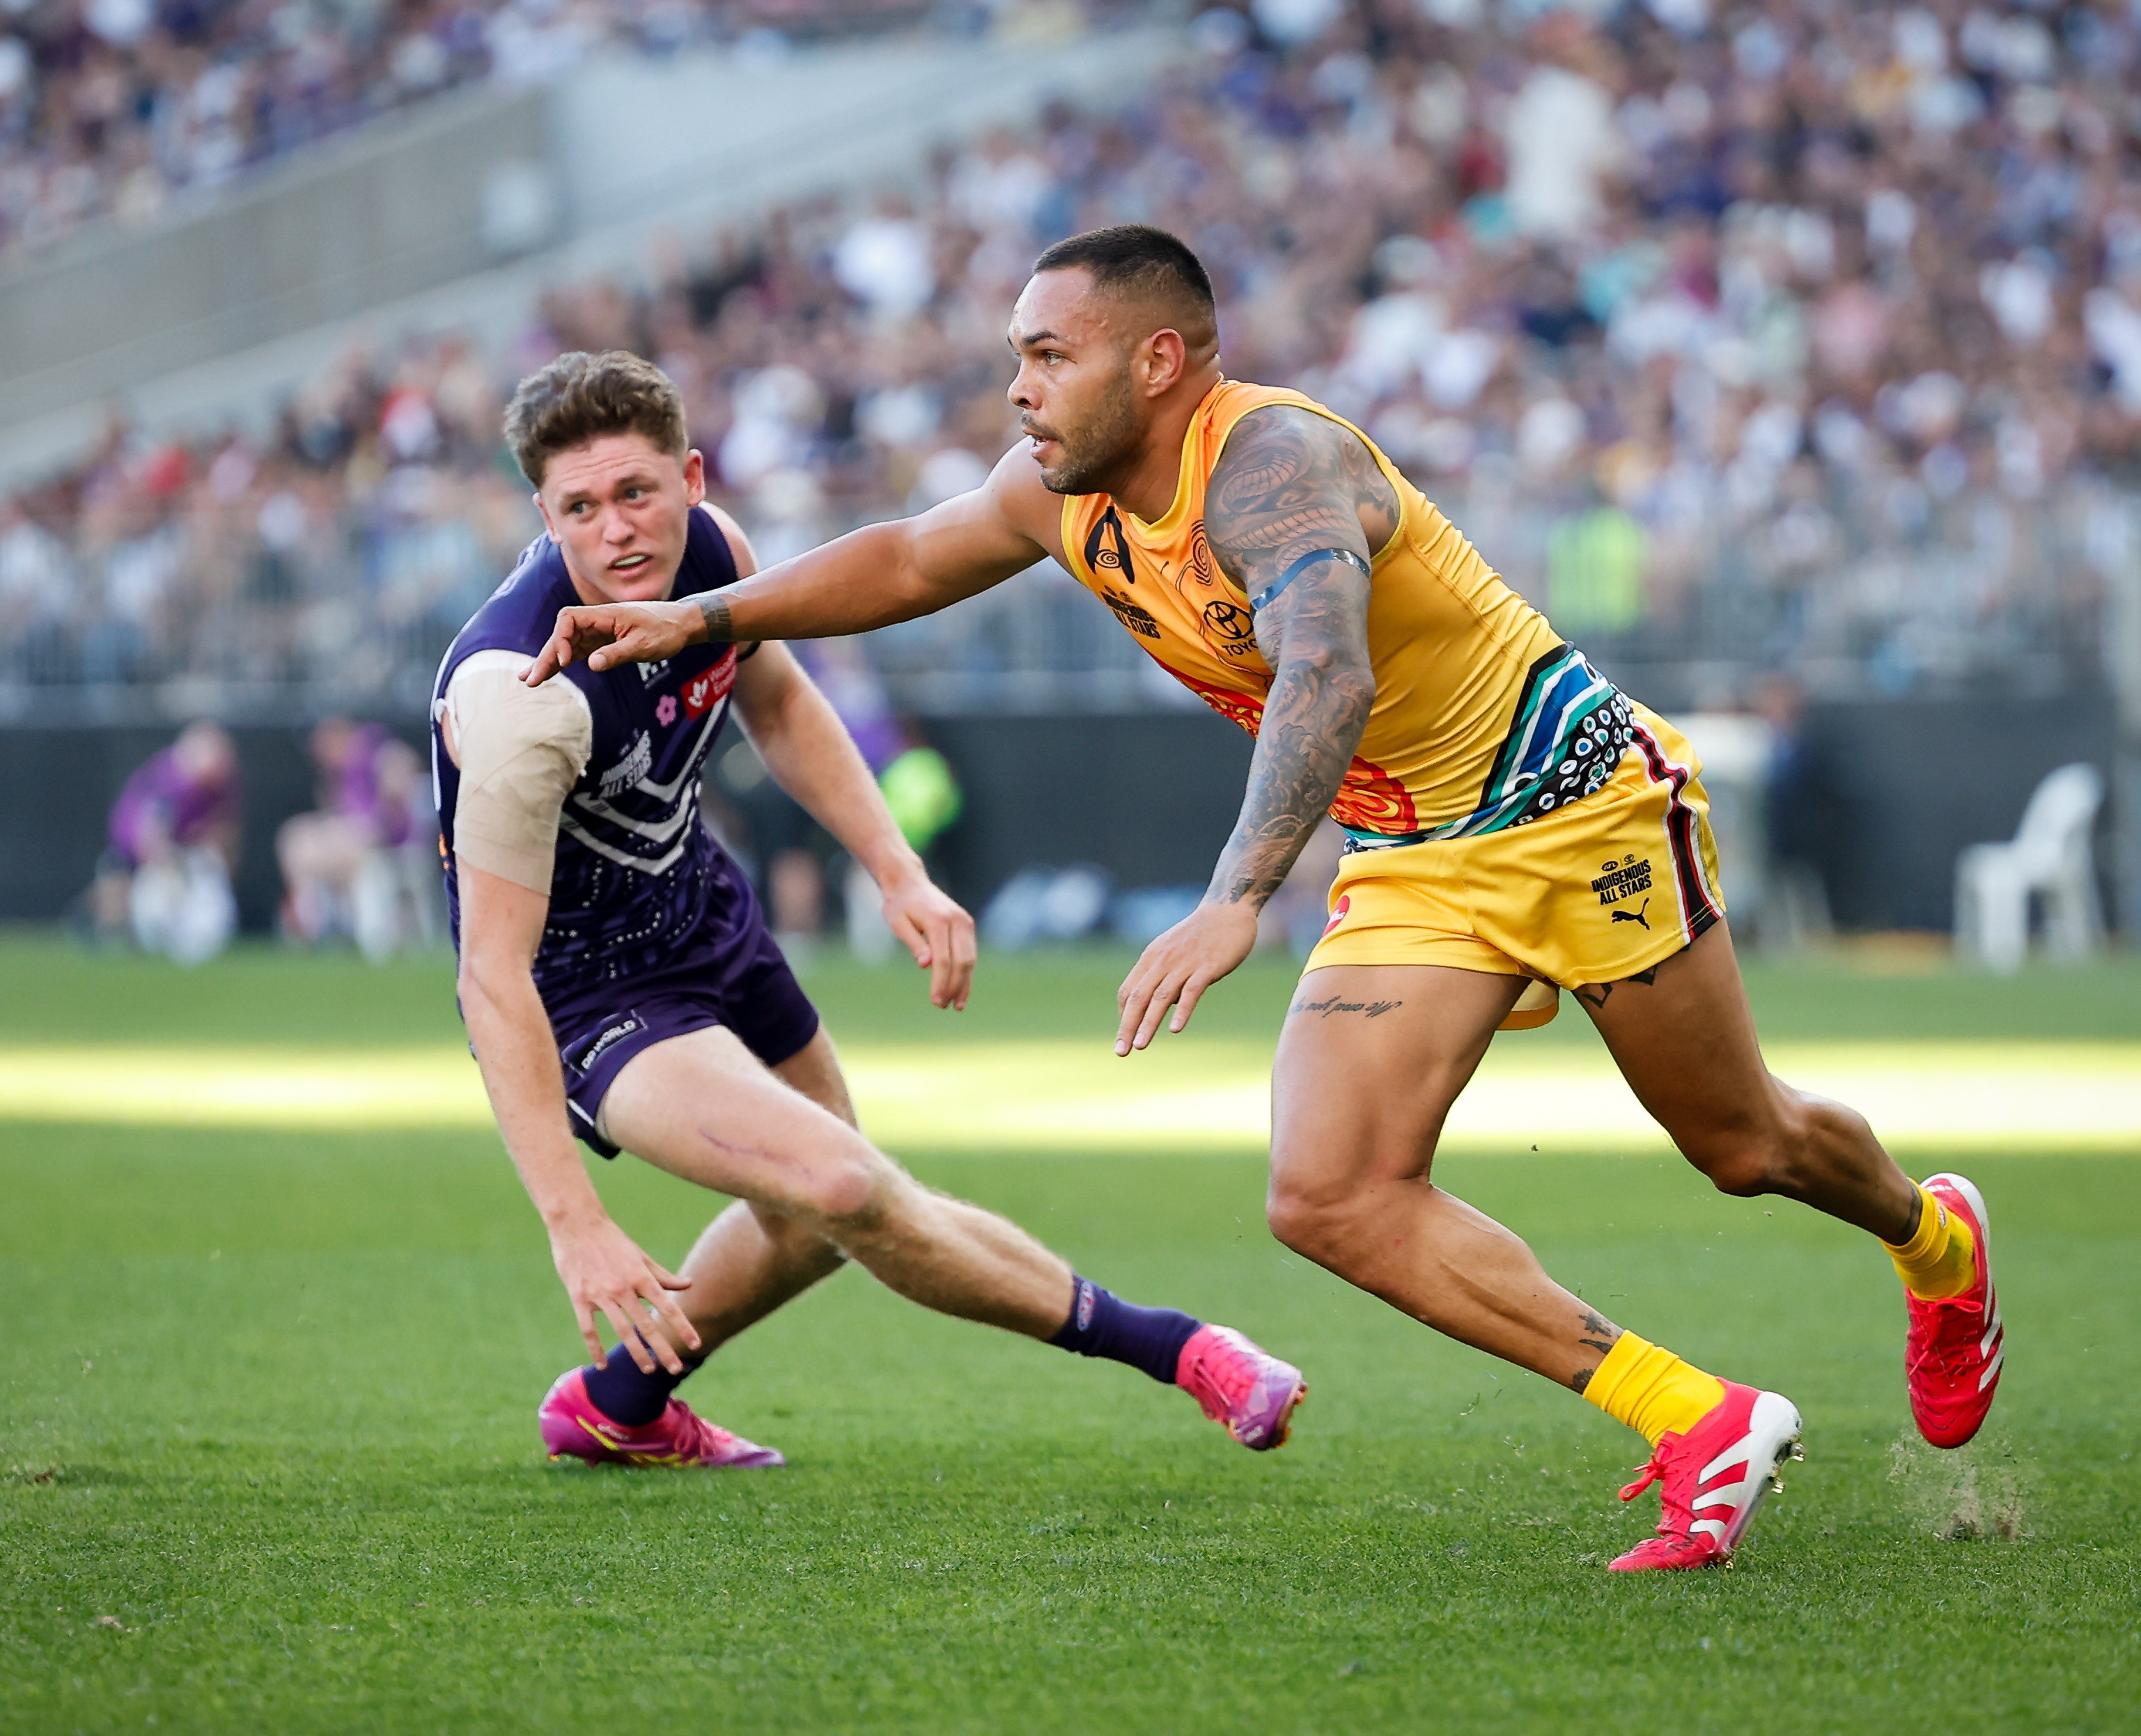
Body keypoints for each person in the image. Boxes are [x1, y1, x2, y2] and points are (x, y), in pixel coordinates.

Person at [529, 226, 2000, 1570]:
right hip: (1413, 849)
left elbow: (1328, 670)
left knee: (1740, 1143)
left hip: (1572, 802)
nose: (1020, 390)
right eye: (1014, 359)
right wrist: (704, 615)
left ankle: (1932, 1239)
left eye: (1050, 356)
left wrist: (1238, 893)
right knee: (1327, 1194)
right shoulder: (1060, 492)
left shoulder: (1273, 462)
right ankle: (1696, 1417)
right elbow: (912, 557)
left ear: (1157, 360)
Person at [437, 349, 1305, 1469]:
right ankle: (1186, 1352)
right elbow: (488, 975)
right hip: (588, 993)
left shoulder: (712, 553)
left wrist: (896, 866)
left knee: (810, 1222)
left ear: (692, 478)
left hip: (709, 916)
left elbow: (783, 702)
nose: (618, 532)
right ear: (544, 517)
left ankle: (617, 1403)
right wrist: (577, 1224)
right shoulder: (518, 699)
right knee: (846, 1183)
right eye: (581, 509)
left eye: (638, 493)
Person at [277, 716, 438, 960]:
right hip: (357, 843)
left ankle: (325, 925)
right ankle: (312, 921)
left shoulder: (370, 748)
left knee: (318, 846)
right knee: (296, 837)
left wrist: (385, 809)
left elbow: (403, 768)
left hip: (389, 843)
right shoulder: (338, 773)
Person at [92, 721, 242, 962]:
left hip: (183, 851)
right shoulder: (173, 780)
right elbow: (149, 841)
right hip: (137, 850)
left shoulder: (219, 786)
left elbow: (225, 834)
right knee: (146, 895)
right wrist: (175, 874)